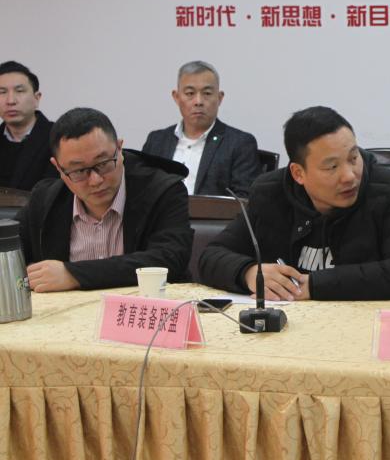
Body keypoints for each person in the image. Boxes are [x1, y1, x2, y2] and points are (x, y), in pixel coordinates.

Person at [198, 106, 390, 301]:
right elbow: (211, 256)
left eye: (353, 158)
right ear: (298, 173)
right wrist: (249, 273)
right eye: (332, 167)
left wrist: (315, 286)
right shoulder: (269, 193)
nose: (349, 176)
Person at [16, 107, 193, 292]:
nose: (96, 180)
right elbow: (7, 249)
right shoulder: (45, 199)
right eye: (79, 171)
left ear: (119, 149)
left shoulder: (162, 190)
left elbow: (169, 259)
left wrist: (73, 274)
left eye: (103, 163)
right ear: (59, 168)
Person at [143, 61, 262, 197]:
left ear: (219, 98)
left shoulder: (239, 143)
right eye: (190, 93)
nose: (198, 101)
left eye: (207, 93)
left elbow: (245, 199)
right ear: (176, 97)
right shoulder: (157, 141)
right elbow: (142, 191)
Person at [0, 61, 58, 190]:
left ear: (37, 98)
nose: (11, 101)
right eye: (2, 92)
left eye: (19, 91)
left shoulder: (58, 138)